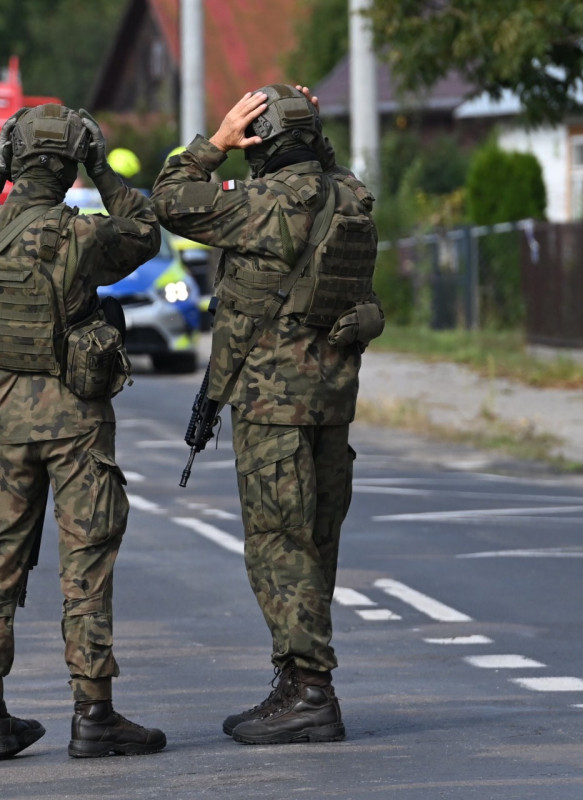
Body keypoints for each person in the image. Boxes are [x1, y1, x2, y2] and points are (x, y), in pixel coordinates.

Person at [150, 85, 384, 746]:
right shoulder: (352, 197)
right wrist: (309, 130)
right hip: (332, 402)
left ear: (262, 145)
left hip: (273, 405)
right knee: (314, 545)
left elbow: (170, 198)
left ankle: (310, 693)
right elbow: (328, 173)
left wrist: (217, 141)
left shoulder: (259, 205)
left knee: (280, 547)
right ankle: (294, 680)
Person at [0, 104, 166, 761]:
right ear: (71, 165)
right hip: (76, 424)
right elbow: (146, 229)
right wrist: (101, 168)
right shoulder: (83, 237)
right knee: (85, 567)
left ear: (14, 162)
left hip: (6, 424)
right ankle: (94, 715)